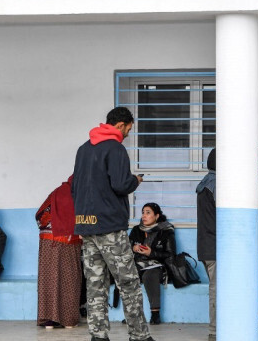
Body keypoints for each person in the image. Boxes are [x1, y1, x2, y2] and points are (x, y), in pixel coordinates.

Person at [71, 106, 153, 341]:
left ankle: (98, 336)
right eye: (128, 128)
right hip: (109, 227)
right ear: (121, 125)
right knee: (128, 283)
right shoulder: (115, 149)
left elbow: (75, 187)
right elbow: (119, 184)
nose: (128, 133)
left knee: (95, 284)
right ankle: (139, 336)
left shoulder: (83, 150)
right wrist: (134, 181)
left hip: (86, 226)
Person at [35, 176, 82, 329]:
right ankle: (68, 320)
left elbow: (39, 215)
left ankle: (49, 319)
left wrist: (50, 228)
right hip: (69, 242)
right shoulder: (80, 193)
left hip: (48, 242)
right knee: (69, 278)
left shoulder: (56, 192)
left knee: (49, 279)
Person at [129, 203, 176, 326]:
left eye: (148, 212)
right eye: (143, 212)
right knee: (128, 275)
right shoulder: (136, 230)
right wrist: (133, 248)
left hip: (158, 265)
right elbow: (126, 248)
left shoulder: (166, 231)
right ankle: (133, 315)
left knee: (149, 276)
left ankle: (155, 314)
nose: (144, 215)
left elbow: (170, 255)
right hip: (138, 263)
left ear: (156, 216)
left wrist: (152, 253)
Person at [196, 148, 216, 341]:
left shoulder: (204, 183)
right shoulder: (217, 185)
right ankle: (215, 331)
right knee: (217, 290)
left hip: (205, 244)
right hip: (215, 245)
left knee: (215, 287)